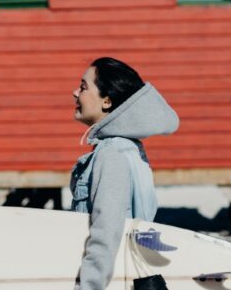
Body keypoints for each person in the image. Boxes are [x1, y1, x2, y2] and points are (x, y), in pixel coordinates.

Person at [70, 57, 179, 290]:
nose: (75, 93)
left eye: (83, 87)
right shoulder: (128, 149)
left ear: (107, 101)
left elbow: (106, 232)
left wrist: (88, 286)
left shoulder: (111, 155)